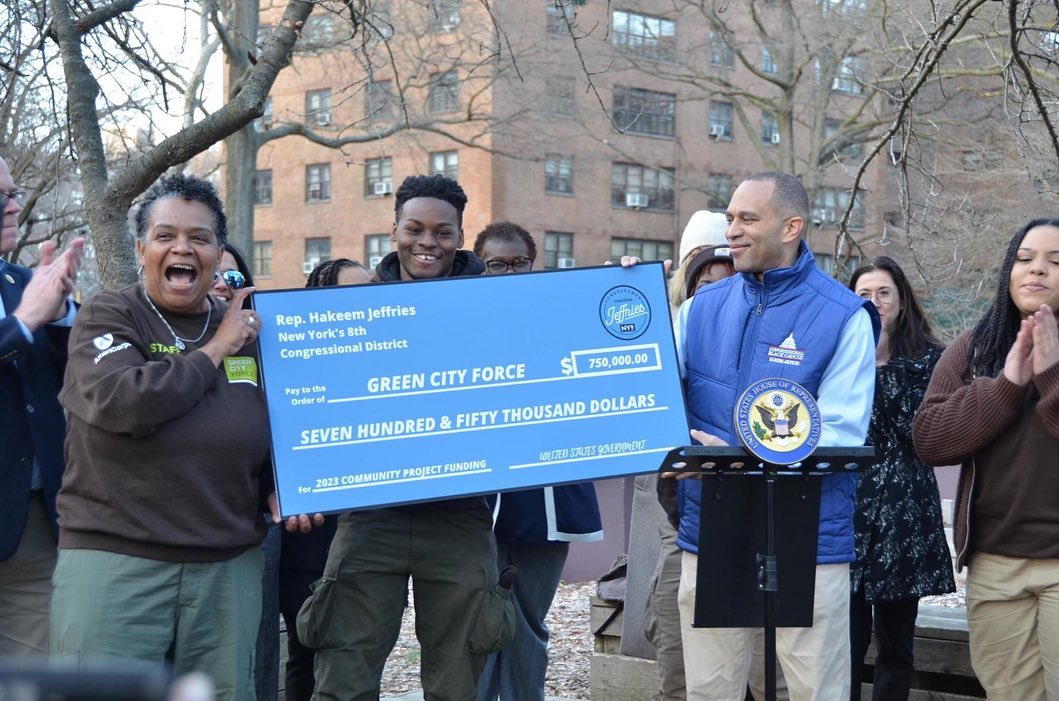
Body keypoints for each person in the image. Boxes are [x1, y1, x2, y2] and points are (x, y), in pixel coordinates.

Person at [51, 173, 319, 699]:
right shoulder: (111, 313)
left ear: (219, 253)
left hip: (225, 570)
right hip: (117, 563)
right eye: (166, 235)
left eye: (199, 238)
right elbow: (125, 402)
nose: (183, 249)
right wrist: (216, 347)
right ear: (141, 248)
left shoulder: (251, 332)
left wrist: (284, 482)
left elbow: (277, 423)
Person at [662, 172, 879, 701]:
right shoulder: (698, 310)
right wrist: (625, 303)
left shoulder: (845, 316)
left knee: (815, 691)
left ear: (792, 226)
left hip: (810, 536)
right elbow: (655, 404)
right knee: (710, 692)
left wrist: (730, 458)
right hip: (713, 528)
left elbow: (841, 433)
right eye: (730, 217)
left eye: (747, 219)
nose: (731, 230)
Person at [300, 174, 512, 701]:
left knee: (456, 679)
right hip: (373, 514)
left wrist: (621, 284)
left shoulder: (501, 303)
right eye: (414, 229)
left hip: (459, 514)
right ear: (393, 230)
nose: (427, 243)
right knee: (343, 670)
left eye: (443, 233)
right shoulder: (360, 305)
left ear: (461, 236)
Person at [913, 218, 1059, 698]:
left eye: (1055, 262)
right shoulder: (976, 348)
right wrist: (1006, 386)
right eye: (1024, 259)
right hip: (994, 562)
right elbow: (931, 440)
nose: (1036, 270)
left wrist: (1050, 376)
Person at [471, 222, 603, 701]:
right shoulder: (460, 324)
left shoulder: (561, 316)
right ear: (477, 267)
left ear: (534, 263)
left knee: (527, 621)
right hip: (478, 503)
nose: (509, 271)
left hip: (550, 502)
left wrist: (625, 284)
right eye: (496, 264)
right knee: (480, 621)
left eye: (519, 262)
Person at [847, 257, 954, 700]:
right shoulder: (837, 355)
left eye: (884, 293)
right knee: (844, 643)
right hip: (849, 514)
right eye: (864, 294)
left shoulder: (931, 359)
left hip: (904, 514)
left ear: (901, 299)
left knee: (896, 644)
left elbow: (919, 432)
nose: (875, 302)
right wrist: (860, 356)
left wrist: (881, 357)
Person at [0, 154, 84, 656]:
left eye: (12, 194)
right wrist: (23, 323)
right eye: (0, 199)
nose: (13, 208)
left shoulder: (20, 283)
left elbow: (62, 385)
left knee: (34, 683)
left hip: (30, 527)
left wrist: (58, 314)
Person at [279, 257, 369, 701]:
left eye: (372, 289)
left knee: (357, 654)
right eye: (353, 291)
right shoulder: (294, 365)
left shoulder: (385, 362)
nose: (367, 299)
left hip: (368, 539)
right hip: (310, 535)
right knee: (308, 650)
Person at [210, 241, 282, 701]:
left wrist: (286, 489)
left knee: (256, 643)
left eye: (232, 278)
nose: (220, 283)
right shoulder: (154, 338)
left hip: (254, 521)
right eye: (211, 273)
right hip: (177, 522)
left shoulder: (265, 349)